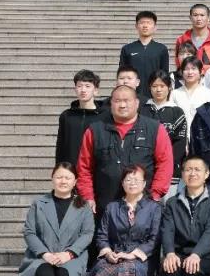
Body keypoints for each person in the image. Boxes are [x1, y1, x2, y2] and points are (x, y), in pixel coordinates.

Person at [16, 163, 94, 276]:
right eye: (59, 177)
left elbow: (87, 234)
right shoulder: (39, 203)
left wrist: (69, 253)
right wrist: (45, 254)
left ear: (75, 181)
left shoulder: (83, 206)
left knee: (64, 274)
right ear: (52, 178)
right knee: (44, 273)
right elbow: (29, 232)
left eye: (67, 177)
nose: (63, 181)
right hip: (42, 256)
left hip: (72, 257)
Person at [87, 165, 162, 276]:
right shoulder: (112, 207)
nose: (132, 183)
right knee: (102, 268)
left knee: (126, 269)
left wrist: (132, 254)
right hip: (115, 254)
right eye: (128, 179)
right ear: (122, 183)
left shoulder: (154, 208)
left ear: (144, 183)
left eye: (136, 180)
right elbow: (102, 235)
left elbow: (154, 239)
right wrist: (108, 253)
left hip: (141, 258)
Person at [76, 84, 174, 215]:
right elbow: (84, 167)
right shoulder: (95, 130)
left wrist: (155, 195)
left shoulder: (155, 129)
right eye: (117, 101)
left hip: (144, 206)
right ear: (111, 104)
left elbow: (165, 164)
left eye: (127, 101)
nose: (122, 105)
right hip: (104, 205)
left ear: (137, 103)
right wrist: (88, 196)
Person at [145, 70, 189, 186]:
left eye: (162, 86)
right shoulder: (142, 110)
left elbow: (179, 143)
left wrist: (165, 163)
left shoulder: (177, 112)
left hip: (170, 169)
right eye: (154, 86)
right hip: (145, 168)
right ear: (149, 87)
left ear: (169, 87)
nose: (158, 90)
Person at [56, 70, 105, 166]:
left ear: (95, 90)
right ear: (75, 89)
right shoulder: (66, 116)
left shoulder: (104, 116)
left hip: (96, 168)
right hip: (71, 168)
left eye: (87, 86)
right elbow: (60, 146)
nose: (83, 90)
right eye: (79, 86)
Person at [120, 10, 168, 97]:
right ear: (136, 26)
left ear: (155, 27)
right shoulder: (127, 49)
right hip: (132, 94)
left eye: (149, 23)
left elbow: (164, 74)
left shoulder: (161, 49)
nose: (145, 26)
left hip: (154, 95)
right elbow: (122, 73)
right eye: (142, 23)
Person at [172, 57, 210, 132]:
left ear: (201, 71)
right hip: (179, 136)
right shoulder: (174, 94)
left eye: (193, 69)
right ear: (182, 72)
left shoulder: (209, 94)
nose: (190, 72)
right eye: (186, 69)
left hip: (201, 135)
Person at [175, 3, 210, 69]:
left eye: (202, 15)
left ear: (208, 18)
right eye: (195, 15)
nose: (199, 18)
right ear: (190, 18)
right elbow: (178, 62)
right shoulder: (181, 40)